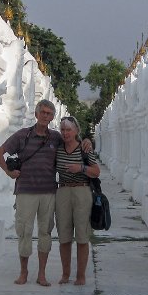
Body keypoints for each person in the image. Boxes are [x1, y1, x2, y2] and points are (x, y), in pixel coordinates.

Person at [0, 100, 92, 286]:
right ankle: (23, 272)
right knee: (24, 232)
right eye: (42, 112)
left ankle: (42, 274)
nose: (45, 116)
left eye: (49, 113)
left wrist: (87, 140)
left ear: (52, 117)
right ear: (36, 114)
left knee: (45, 232)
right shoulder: (23, 135)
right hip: (25, 191)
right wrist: (8, 171)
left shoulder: (56, 138)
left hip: (48, 192)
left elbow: (73, 139)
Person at [55, 116, 100, 285]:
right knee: (64, 236)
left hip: (82, 190)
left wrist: (80, 168)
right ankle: (65, 274)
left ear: (76, 131)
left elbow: (96, 171)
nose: (65, 133)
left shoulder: (84, 149)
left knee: (82, 235)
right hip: (63, 191)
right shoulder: (58, 149)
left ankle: (81, 276)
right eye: (63, 130)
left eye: (69, 130)